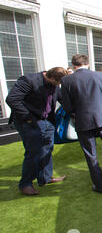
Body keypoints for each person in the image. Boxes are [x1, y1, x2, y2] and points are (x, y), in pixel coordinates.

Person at [60, 54, 102, 194]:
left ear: (74, 65)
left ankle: (99, 186)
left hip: (82, 121)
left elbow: (67, 106)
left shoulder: (66, 80)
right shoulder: (100, 76)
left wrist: (76, 114)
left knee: (91, 154)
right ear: (88, 64)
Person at [6, 67, 69, 196]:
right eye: (57, 84)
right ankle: (26, 184)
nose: (58, 86)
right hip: (28, 122)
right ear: (51, 78)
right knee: (33, 153)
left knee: (47, 149)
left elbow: (62, 99)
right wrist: (29, 118)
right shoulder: (28, 80)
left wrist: (75, 110)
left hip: (47, 121)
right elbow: (12, 99)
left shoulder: (56, 82)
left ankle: (45, 178)